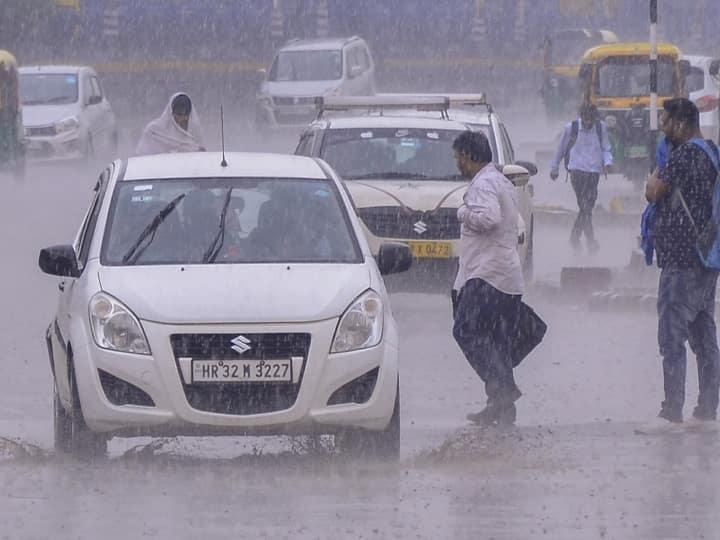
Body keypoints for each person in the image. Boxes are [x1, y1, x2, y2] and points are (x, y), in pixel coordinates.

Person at [643, 97, 720, 434]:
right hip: (706, 257)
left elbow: (654, 192)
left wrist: (653, 176)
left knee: (671, 336)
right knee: (704, 335)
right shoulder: (713, 152)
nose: (664, 129)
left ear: (680, 123)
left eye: (666, 123)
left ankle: (671, 411)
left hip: (681, 259)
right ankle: (706, 410)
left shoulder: (684, 154)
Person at [451, 131, 524, 426]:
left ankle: (503, 390)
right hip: (506, 276)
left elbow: (489, 218)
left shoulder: (482, 184)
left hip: (487, 276)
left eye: (458, 158)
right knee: (496, 341)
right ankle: (502, 408)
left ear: (469, 157)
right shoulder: (501, 182)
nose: (457, 164)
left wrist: (462, 213)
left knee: (466, 331)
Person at [550, 103, 613, 252]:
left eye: (591, 119)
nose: (588, 123)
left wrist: (608, 162)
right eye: (585, 119)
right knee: (585, 207)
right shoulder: (571, 128)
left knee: (587, 208)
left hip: (593, 173)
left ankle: (576, 236)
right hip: (577, 172)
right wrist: (554, 167)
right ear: (581, 117)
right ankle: (590, 241)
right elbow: (561, 148)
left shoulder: (600, 128)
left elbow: (606, 148)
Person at [135, 92, 206, 155]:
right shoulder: (153, 131)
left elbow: (201, 156)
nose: (181, 119)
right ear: (171, 113)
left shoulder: (195, 131)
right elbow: (141, 156)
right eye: (178, 114)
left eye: (185, 115)